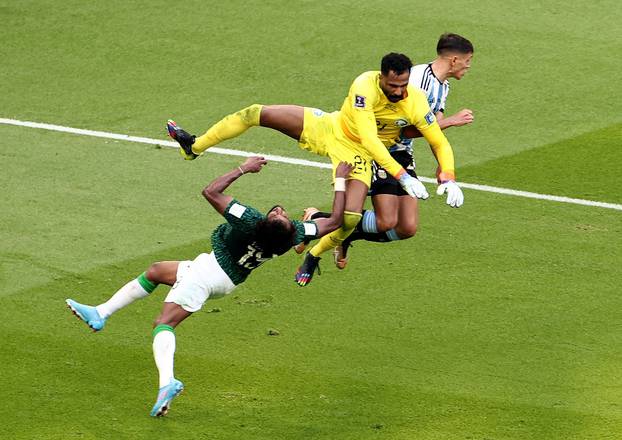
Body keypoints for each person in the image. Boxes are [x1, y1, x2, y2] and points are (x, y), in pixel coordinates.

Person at [66, 156, 353, 417]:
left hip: (208, 273)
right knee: (155, 271)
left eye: (276, 215)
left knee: (163, 323)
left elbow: (210, 191)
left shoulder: (250, 222)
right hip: (223, 276)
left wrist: (243, 168)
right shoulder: (295, 234)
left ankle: (167, 383)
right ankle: (101, 313)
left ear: (265, 222)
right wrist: (340, 180)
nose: (278, 211)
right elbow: (336, 221)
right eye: (280, 213)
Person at [166, 52, 461, 286]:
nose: (398, 91)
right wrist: (401, 176)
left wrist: (448, 177)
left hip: (357, 153)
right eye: (392, 85)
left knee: (349, 218)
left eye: (402, 85)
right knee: (256, 112)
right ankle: (194, 146)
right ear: (381, 77)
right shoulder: (363, 86)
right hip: (331, 128)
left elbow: (438, 140)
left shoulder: (415, 101)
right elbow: (370, 136)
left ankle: (314, 253)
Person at [326, 33, 474, 268]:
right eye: (468, 61)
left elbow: (431, 131)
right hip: (382, 149)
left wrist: (444, 172)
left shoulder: (442, 86)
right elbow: (403, 129)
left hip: (403, 152)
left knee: (407, 228)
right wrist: (452, 121)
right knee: (386, 221)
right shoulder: (417, 81)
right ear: (455, 60)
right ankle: (320, 221)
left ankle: (350, 233)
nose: (468, 66)